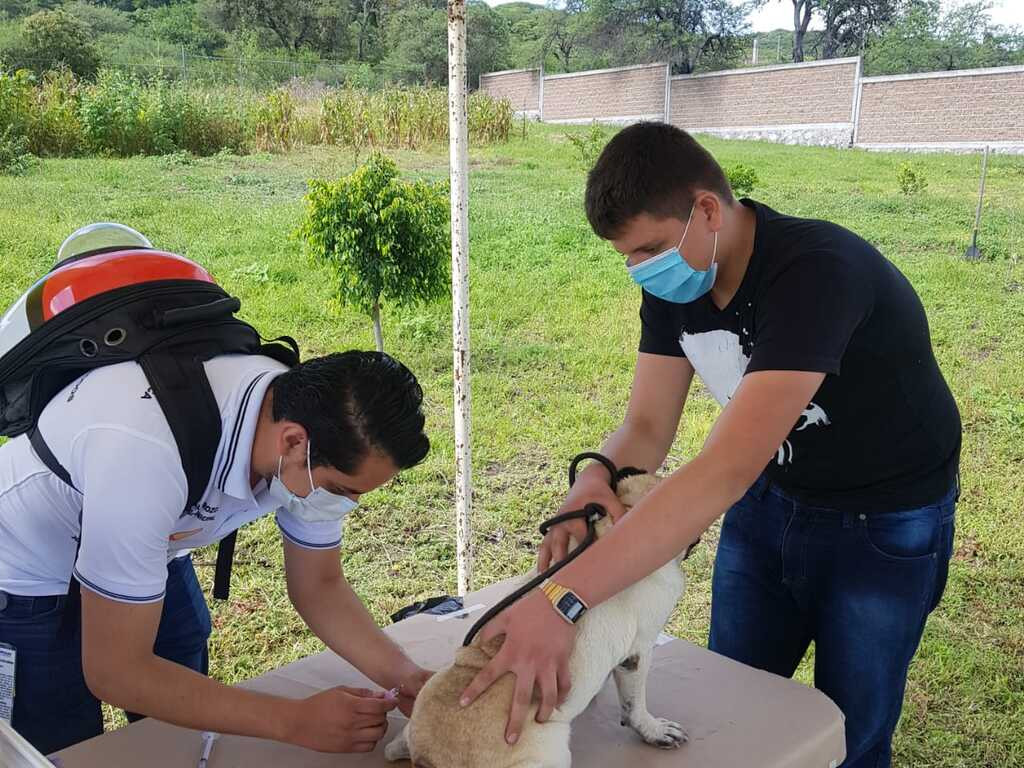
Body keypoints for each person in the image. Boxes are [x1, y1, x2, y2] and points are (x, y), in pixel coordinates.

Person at [460, 122, 961, 768]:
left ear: (706, 210)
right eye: (627, 259)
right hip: (771, 500)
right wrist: (596, 476)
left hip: (886, 522)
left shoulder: (817, 273)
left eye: (650, 249)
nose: (642, 272)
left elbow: (720, 471)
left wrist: (560, 600)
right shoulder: (682, 283)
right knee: (733, 705)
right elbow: (646, 428)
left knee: (849, 731)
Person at [0, 348, 433, 755]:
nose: (346, 505)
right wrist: (294, 721)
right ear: (293, 442)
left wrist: (406, 677)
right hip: (27, 580)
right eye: (341, 490)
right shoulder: (144, 452)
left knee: (179, 729)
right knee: (61, 746)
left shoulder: (309, 423)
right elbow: (115, 671)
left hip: (154, 547)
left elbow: (319, 586)